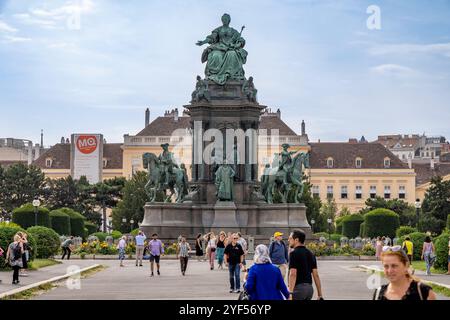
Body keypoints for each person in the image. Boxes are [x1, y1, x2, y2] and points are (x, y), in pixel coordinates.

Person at [288, 229, 323, 300]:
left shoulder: (293, 254)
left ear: (296, 240)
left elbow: (293, 274)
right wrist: (320, 294)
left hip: (298, 289)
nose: (288, 240)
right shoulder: (310, 254)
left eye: (290, 238)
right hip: (309, 289)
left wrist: (290, 293)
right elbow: (316, 275)